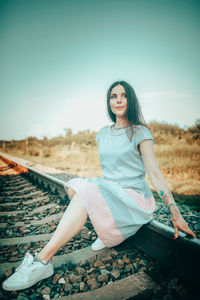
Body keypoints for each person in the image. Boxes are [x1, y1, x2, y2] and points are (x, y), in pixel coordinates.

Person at [2, 80, 197, 291]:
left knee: (84, 193)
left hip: (132, 196)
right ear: (109, 102)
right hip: (111, 191)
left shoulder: (140, 132)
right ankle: (107, 226)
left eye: (123, 95)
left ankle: (42, 261)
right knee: (74, 188)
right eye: (113, 96)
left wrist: (175, 211)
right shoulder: (103, 133)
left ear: (130, 100)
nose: (119, 99)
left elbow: (155, 173)